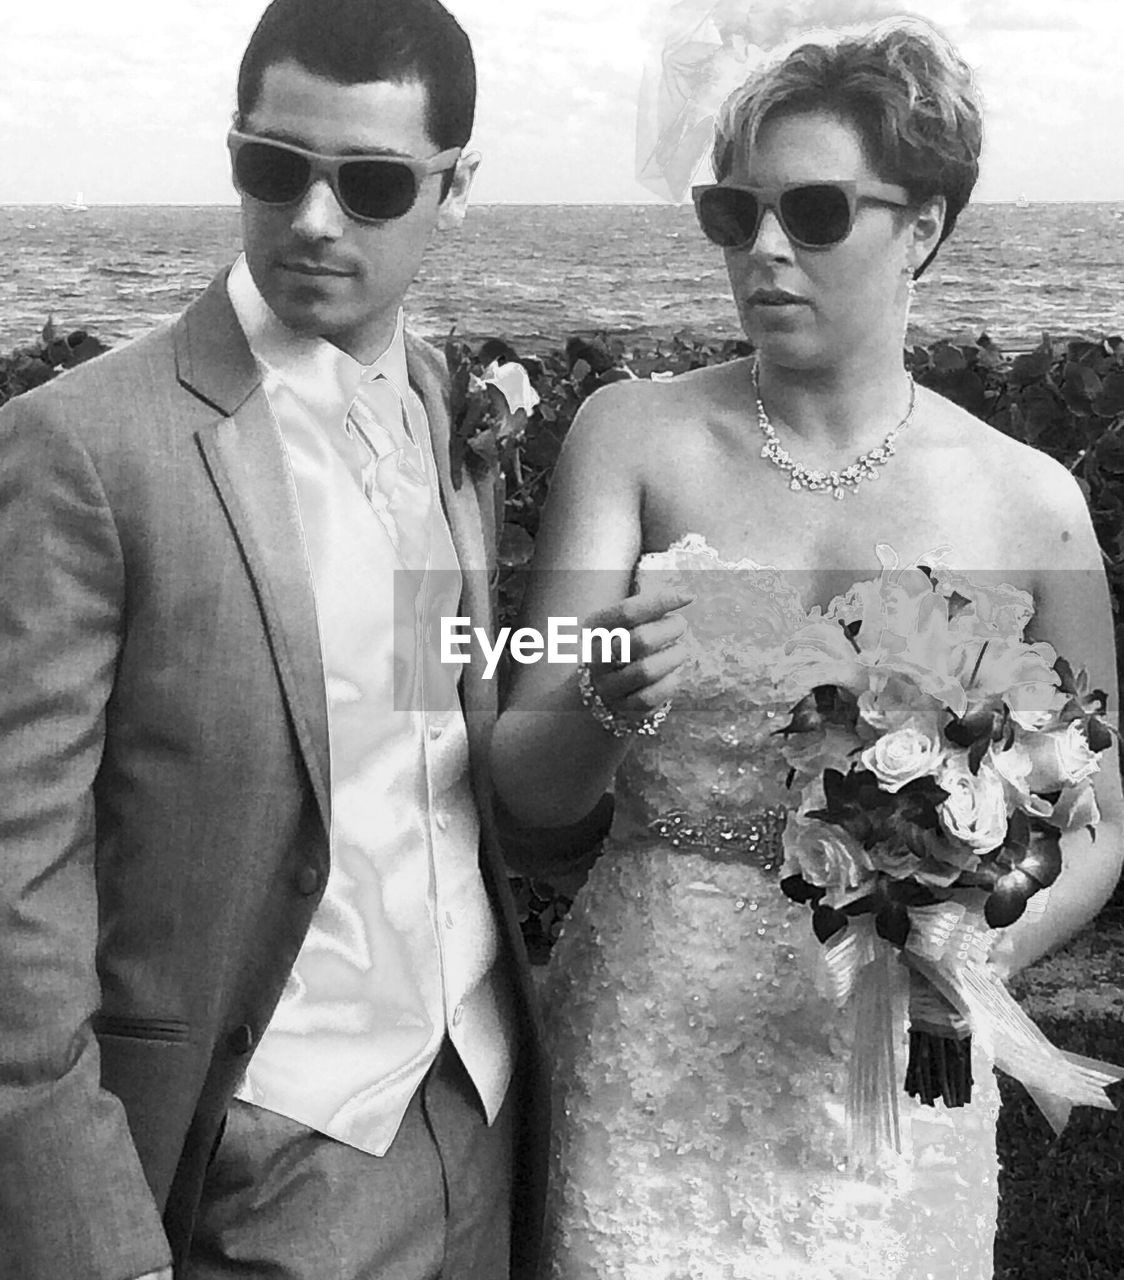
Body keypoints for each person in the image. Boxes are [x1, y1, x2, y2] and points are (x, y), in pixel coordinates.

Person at [491, 18, 1124, 1279]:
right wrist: (603, 709)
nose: (763, 249)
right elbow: (520, 784)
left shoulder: (1027, 500)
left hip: (893, 1070)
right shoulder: (628, 439)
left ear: (924, 228)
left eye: (817, 211)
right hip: (650, 1049)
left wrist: (970, 942)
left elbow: (1102, 812)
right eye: (736, 211)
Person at [0, 1, 593, 1276]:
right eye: (274, 169)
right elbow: (13, 889)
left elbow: (431, 737)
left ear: (457, 187)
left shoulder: (448, 410)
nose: (315, 221)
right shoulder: (85, 447)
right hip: (256, 1151)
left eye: (373, 183)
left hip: (482, 1112)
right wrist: (95, 1240)